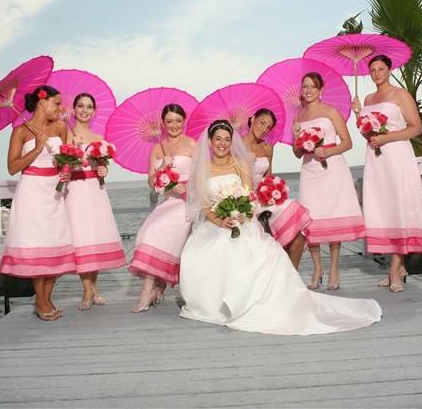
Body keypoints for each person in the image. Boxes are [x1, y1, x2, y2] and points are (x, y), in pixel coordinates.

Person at [178, 119, 382, 335]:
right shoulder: (203, 169)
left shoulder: (240, 165)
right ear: (210, 141)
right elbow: (204, 205)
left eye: (227, 140)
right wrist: (221, 221)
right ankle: (220, 301)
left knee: (252, 248)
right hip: (216, 223)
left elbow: (249, 197)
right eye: (218, 139)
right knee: (218, 246)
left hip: (242, 220)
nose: (222, 143)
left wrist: (239, 214)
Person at [354, 55, 422, 292]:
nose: (376, 73)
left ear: (389, 70)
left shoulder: (400, 95)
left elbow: (415, 127)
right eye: (373, 70)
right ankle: (397, 266)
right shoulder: (368, 98)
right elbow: (368, 134)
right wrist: (359, 115)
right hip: (376, 161)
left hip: (397, 157)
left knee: (398, 207)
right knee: (383, 209)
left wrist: (386, 138)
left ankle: (394, 269)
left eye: (381, 69)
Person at [0, 85, 75, 321]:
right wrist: (38, 148)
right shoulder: (20, 131)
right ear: (42, 102)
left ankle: (46, 298)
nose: (60, 108)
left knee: (54, 244)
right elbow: (12, 167)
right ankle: (40, 301)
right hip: (31, 192)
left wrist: (66, 171)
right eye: (56, 103)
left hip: (53, 193)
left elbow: (65, 160)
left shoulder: (61, 128)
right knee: (36, 244)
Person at [293, 72, 364, 291]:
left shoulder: (331, 112)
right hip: (309, 171)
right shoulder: (299, 117)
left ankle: (333, 268)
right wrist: (297, 138)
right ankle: (317, 268)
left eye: (313, 86)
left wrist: (327, 150)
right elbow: (297, 153)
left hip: (332, 169)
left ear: (321, 89)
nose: (308, 90)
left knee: (333, 217)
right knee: (310, 221)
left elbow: (348, 143)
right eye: (305, 86)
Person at [128, 104, 196, 312]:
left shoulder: (193, 145)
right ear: (163, 124)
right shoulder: (158, 148)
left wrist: (187, 186)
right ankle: (154, 287)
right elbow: (150, 181)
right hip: (167, 201)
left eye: (178, 120)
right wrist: (163, 170)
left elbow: (202, 175)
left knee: (157, 233)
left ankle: (150, 290)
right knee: (147, 233)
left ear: (184, 121)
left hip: (186, 202)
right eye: (169, 121)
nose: (174, 125)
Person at [64, 92, 126, 310]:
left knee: (95, 238)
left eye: (89, 107)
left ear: (94, 111)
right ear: (74, 109)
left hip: (95, 189)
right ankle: (88, 290)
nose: (84, 110)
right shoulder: (66, 135)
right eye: (80, 105)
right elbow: (60, 165)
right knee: (81, 238)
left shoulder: (99, 139)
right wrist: (71, 158)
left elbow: (103, 168)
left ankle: (93, 289)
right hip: (75, 190)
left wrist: (103, 170)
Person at [242, 108, 310, 268]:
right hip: (246, 199)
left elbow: (268, 177)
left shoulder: (267, 147)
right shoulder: (237, 146)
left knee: (296, 217)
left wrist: (271, 192)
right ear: (252, 119)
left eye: (268, 127)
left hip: (264, 198)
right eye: (262, 123)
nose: (264, 129)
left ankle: (290, 277)